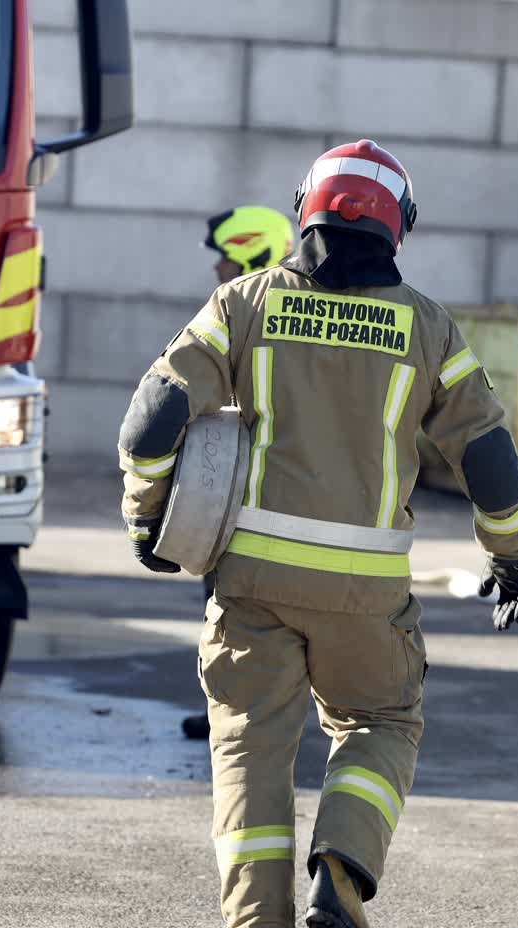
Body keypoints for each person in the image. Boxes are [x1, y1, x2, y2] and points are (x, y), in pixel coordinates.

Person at [116, 139, 518, 928]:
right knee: (381, 723)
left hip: (251, 582)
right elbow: (488, 455)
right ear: (398, 228)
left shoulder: (243, 302)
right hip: (366, 590)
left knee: (248, 749)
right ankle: (341, 865)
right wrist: (511, 556)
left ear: (303, 208)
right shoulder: (428, 327)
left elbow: (152, 419)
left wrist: (147, 515)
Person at [179, 206, 296, 743]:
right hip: (242, 485)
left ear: (251, 252)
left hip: (249, 492)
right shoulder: (276, 307)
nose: (216, 269)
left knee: (239, 610)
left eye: (225, 257)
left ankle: (238, 717)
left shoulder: (245, 311)